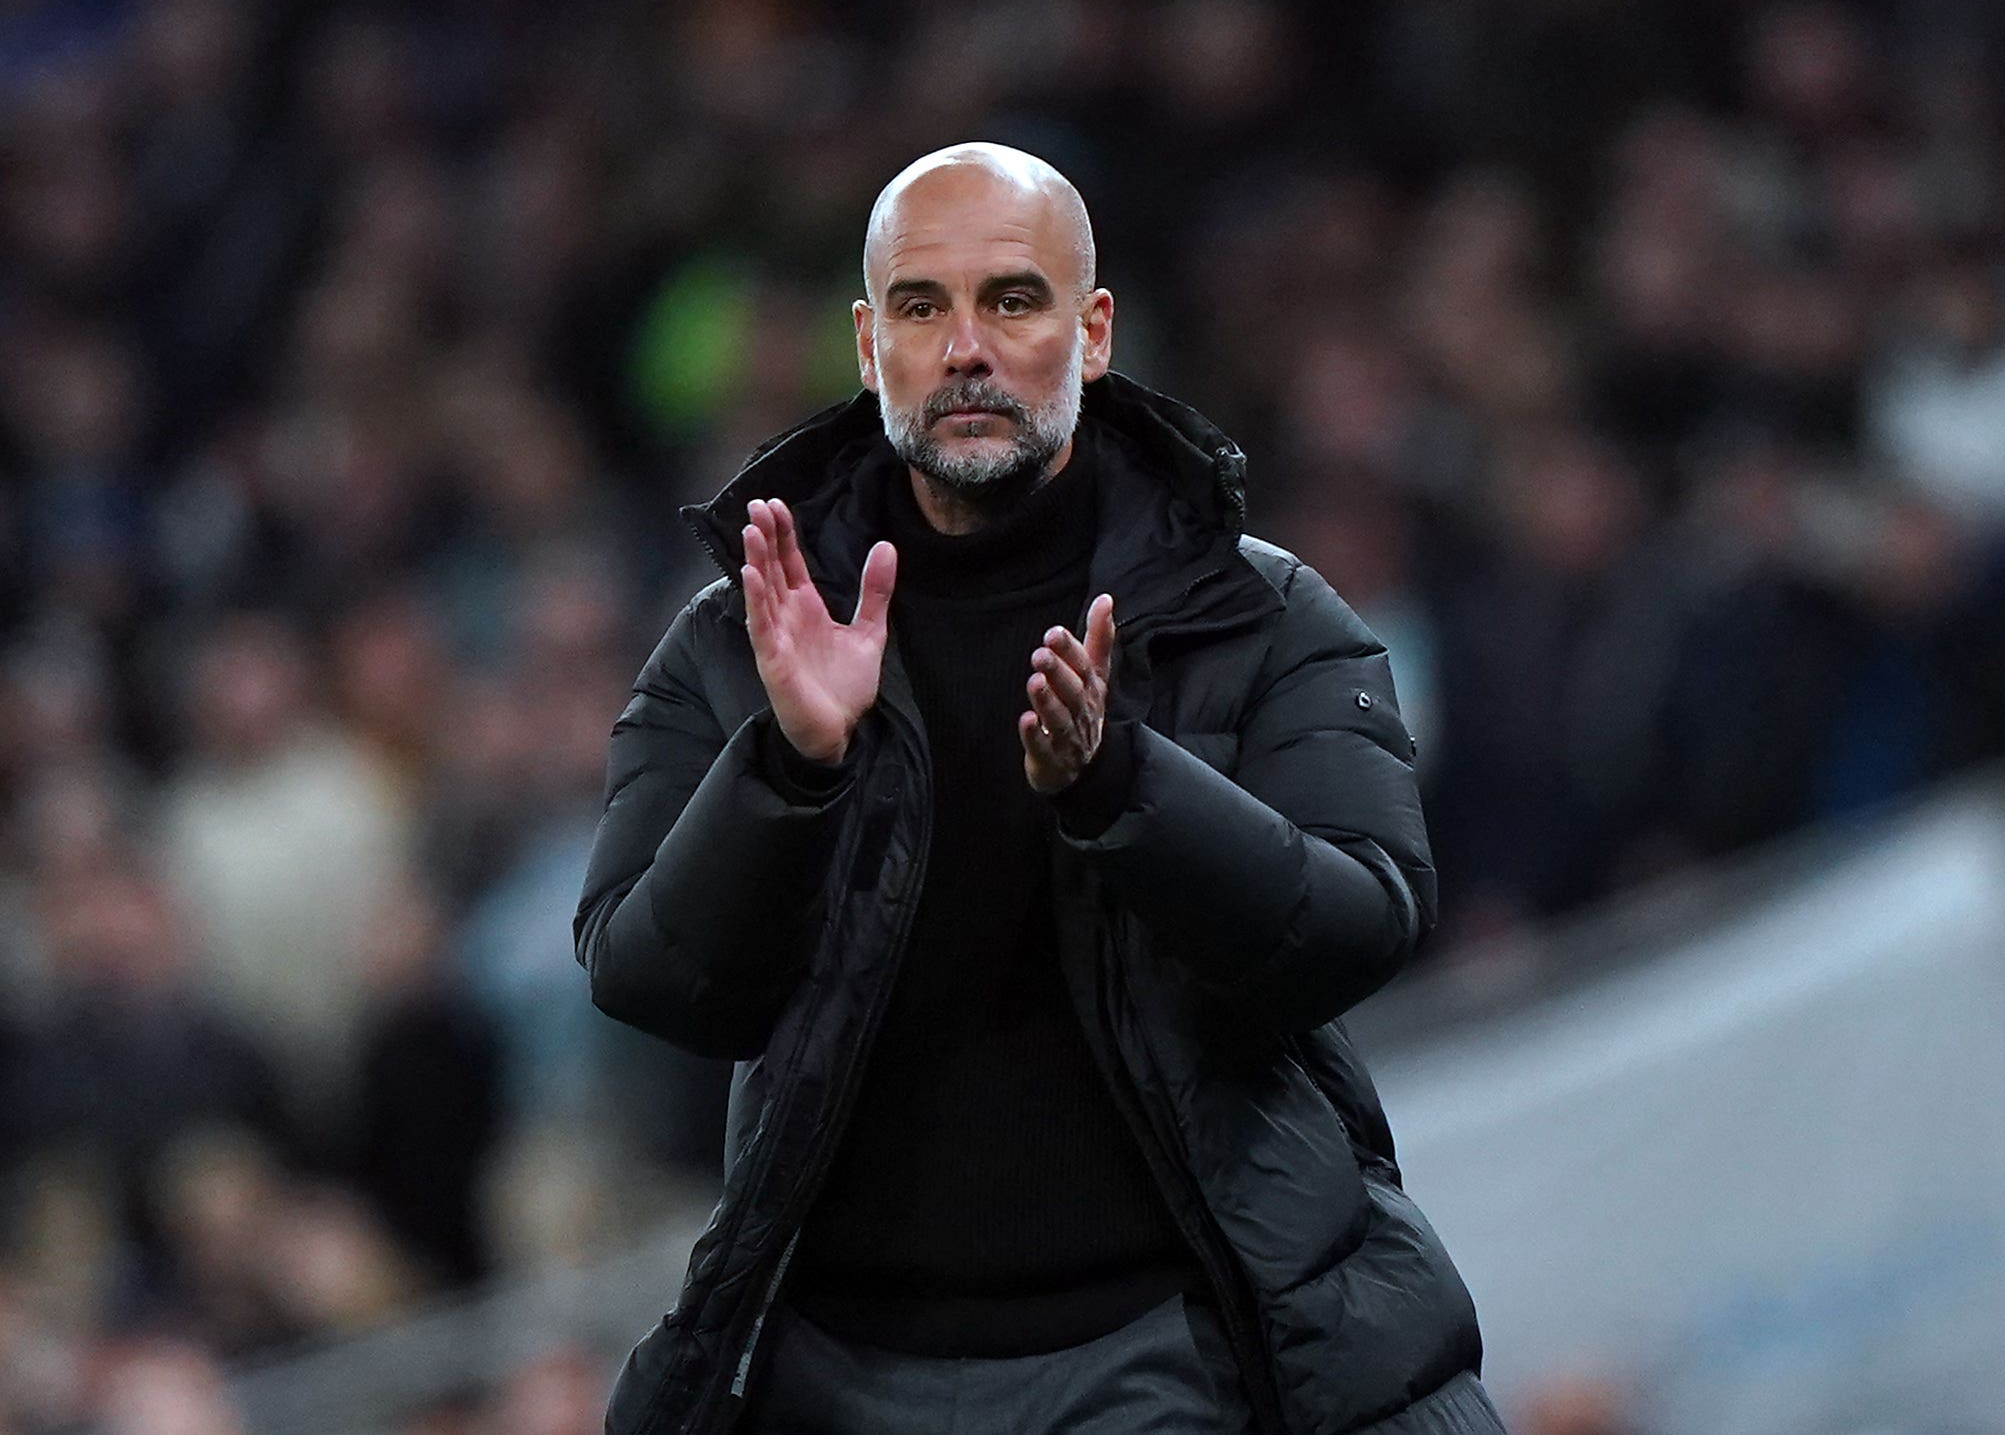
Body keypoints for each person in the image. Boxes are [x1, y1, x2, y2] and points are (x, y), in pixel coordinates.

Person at [575, 144, 1504, 1435]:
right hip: (836, 1375)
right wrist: (788, 770)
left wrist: (1120, 784)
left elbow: (1359, 923)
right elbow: (642, 972)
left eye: (1011, 301)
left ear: (1094, 332)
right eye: (920, 307)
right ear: (865, 345)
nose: (965, 346)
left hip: (1172, 1355)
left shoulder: (1260, 615)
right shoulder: (744, 638)